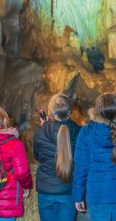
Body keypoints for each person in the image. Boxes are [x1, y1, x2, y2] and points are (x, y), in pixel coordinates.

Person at [72, 93, 116, 221]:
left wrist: (78, 196)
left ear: (97, 111)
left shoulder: (86, 132)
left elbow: (80, 168)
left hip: (98, 194)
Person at [33, 93, 81, 221]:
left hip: (45, 191)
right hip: (68, 190)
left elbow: (38, 156)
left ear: (49, 113)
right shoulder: (79, 131)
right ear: (70, 112)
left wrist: (44, 127)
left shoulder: (40, 132)